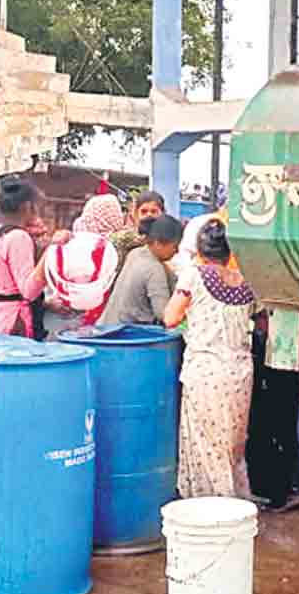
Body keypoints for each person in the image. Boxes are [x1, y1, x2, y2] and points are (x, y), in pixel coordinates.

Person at [163, 219, 257, 499]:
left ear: (200, 251)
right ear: (230, 252)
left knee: (205, 443)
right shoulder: (247, 280)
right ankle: (238, 501)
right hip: (240, 372)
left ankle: (212, 504)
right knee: (233, 444)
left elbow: (170, 317)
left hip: (205, 372)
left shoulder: (193, 276)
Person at [0, 176, 49, 339]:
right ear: (27, 206)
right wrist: (50, 252)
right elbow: (29, 291)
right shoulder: (19, 237)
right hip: (13, 323)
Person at [98, 214, 182, 326]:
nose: (177, 251)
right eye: (175, 246)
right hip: (125, 332)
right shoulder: (154, 269)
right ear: (158, 243)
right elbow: (164, 315)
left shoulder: (135, 253)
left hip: (105, 325)